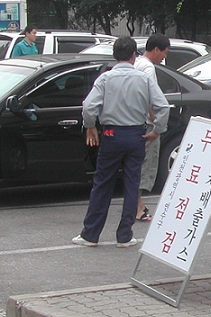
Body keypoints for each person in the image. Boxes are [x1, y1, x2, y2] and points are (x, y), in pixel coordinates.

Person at [72, 36, 169, 248]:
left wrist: (90, 126)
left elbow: (89, 107)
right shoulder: (144, 79)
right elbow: (162, 106)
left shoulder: (105, 79)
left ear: (115, 55)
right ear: (134, 56)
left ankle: (91, 234)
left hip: (111, 135)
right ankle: (124, 236)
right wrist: (157, 130)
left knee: (103, 183)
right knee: (132, 183)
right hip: (136, 135)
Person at [133, 33, 170, 222]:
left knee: (136, 164)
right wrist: (154, 118)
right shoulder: (148, 68)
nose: (165, 57)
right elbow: (150, 95)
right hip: (146, 123)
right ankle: (138, 206)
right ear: (156, 50)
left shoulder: (137, 63)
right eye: (165, 52)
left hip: (133, 121)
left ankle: (136, 204)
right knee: (145, 164)